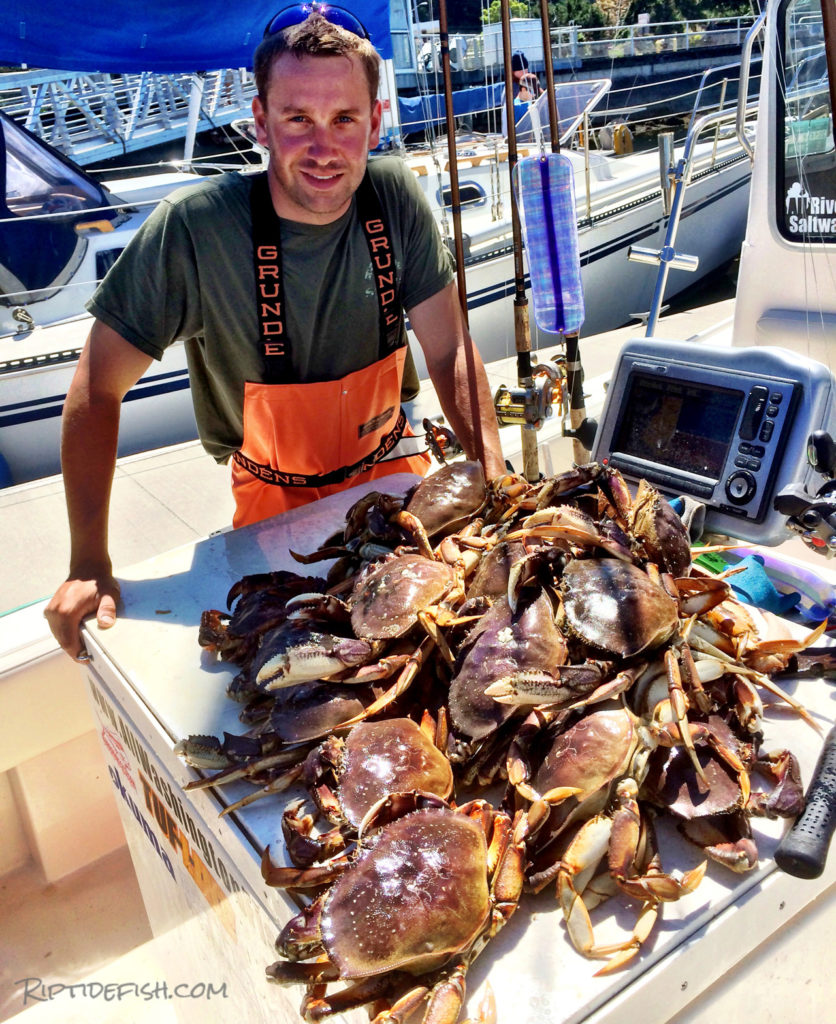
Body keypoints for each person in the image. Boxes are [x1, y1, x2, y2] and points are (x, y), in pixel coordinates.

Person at [44, 3, 505, 660]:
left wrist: (491, 475)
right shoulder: (195, 227)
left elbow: (450, 347)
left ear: (375, 122)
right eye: (297, 120)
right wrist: (89, 560)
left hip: (396, 479)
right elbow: (95, 389)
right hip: (275, 512)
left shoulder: (395, 196)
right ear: (260, 121)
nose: (324, 147)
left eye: (344, 118)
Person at [501, 51, 543, 138]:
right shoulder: (510, 90)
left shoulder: (529, 82)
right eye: (521, 71)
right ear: (513, 72)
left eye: (526, 70)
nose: (524, 73)